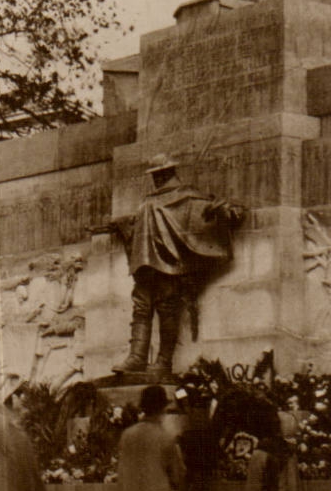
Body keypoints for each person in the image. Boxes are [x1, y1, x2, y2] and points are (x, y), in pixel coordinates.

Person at [105, 157, 246, 377]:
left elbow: (212, 213)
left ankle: (163, 361)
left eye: (160, 173)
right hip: (145, 262)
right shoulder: (150, 200)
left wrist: (227, 212)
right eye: (155, 174)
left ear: (168, 172)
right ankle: (137, 357)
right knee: (141, 308)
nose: (156, 177)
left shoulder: (187, 196)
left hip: (169, 263)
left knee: (167, 310)